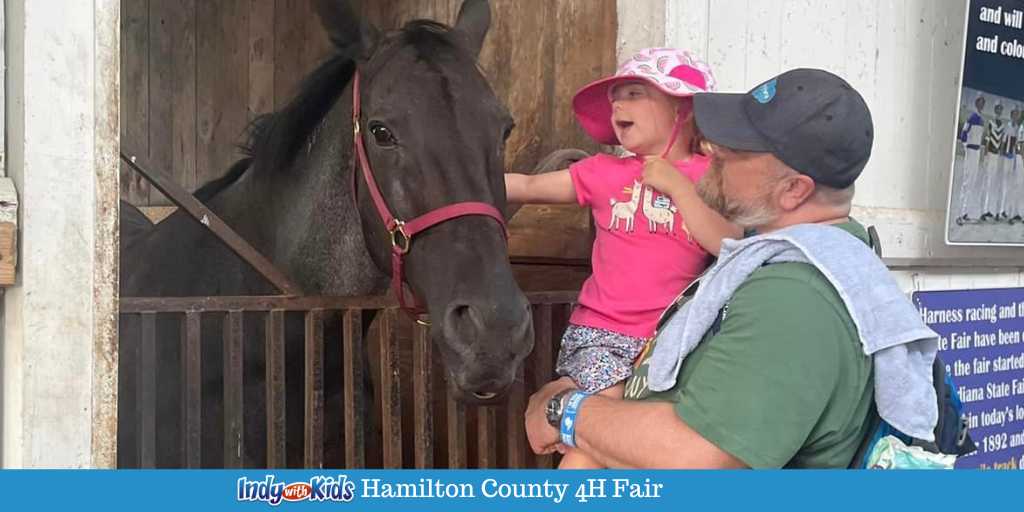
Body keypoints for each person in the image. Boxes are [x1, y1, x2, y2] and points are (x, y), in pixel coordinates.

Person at [525, 68, 940, 469]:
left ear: (794, 190)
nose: (711, 149)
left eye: (737, 148)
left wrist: (563, 409)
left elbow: (696, 457)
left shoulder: (796, 297)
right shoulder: (777, 258)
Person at [505, 48, 740, 469]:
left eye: (634, 93)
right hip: (603, 336)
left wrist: (678, 188)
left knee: (629, 441)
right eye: (616, 96)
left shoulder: (712, 178)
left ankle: (564, 409)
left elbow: (729, 245)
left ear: (682, 108)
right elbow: (527, 185)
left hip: (674, 344)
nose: (618, 105)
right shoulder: (603, 172)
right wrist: (449, 181)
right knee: (601, 427)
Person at [956, 94, 986, 225]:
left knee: (972, 182)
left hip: (977, 153)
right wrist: (966, 148)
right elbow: (963, 134)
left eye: (983, 102)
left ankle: (965, 213)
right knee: (966, 182)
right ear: (976, 102)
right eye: (979, 101)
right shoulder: (972, 117)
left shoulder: (981, 119)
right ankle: (960, 214)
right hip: (971, 152)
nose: (981, 104)